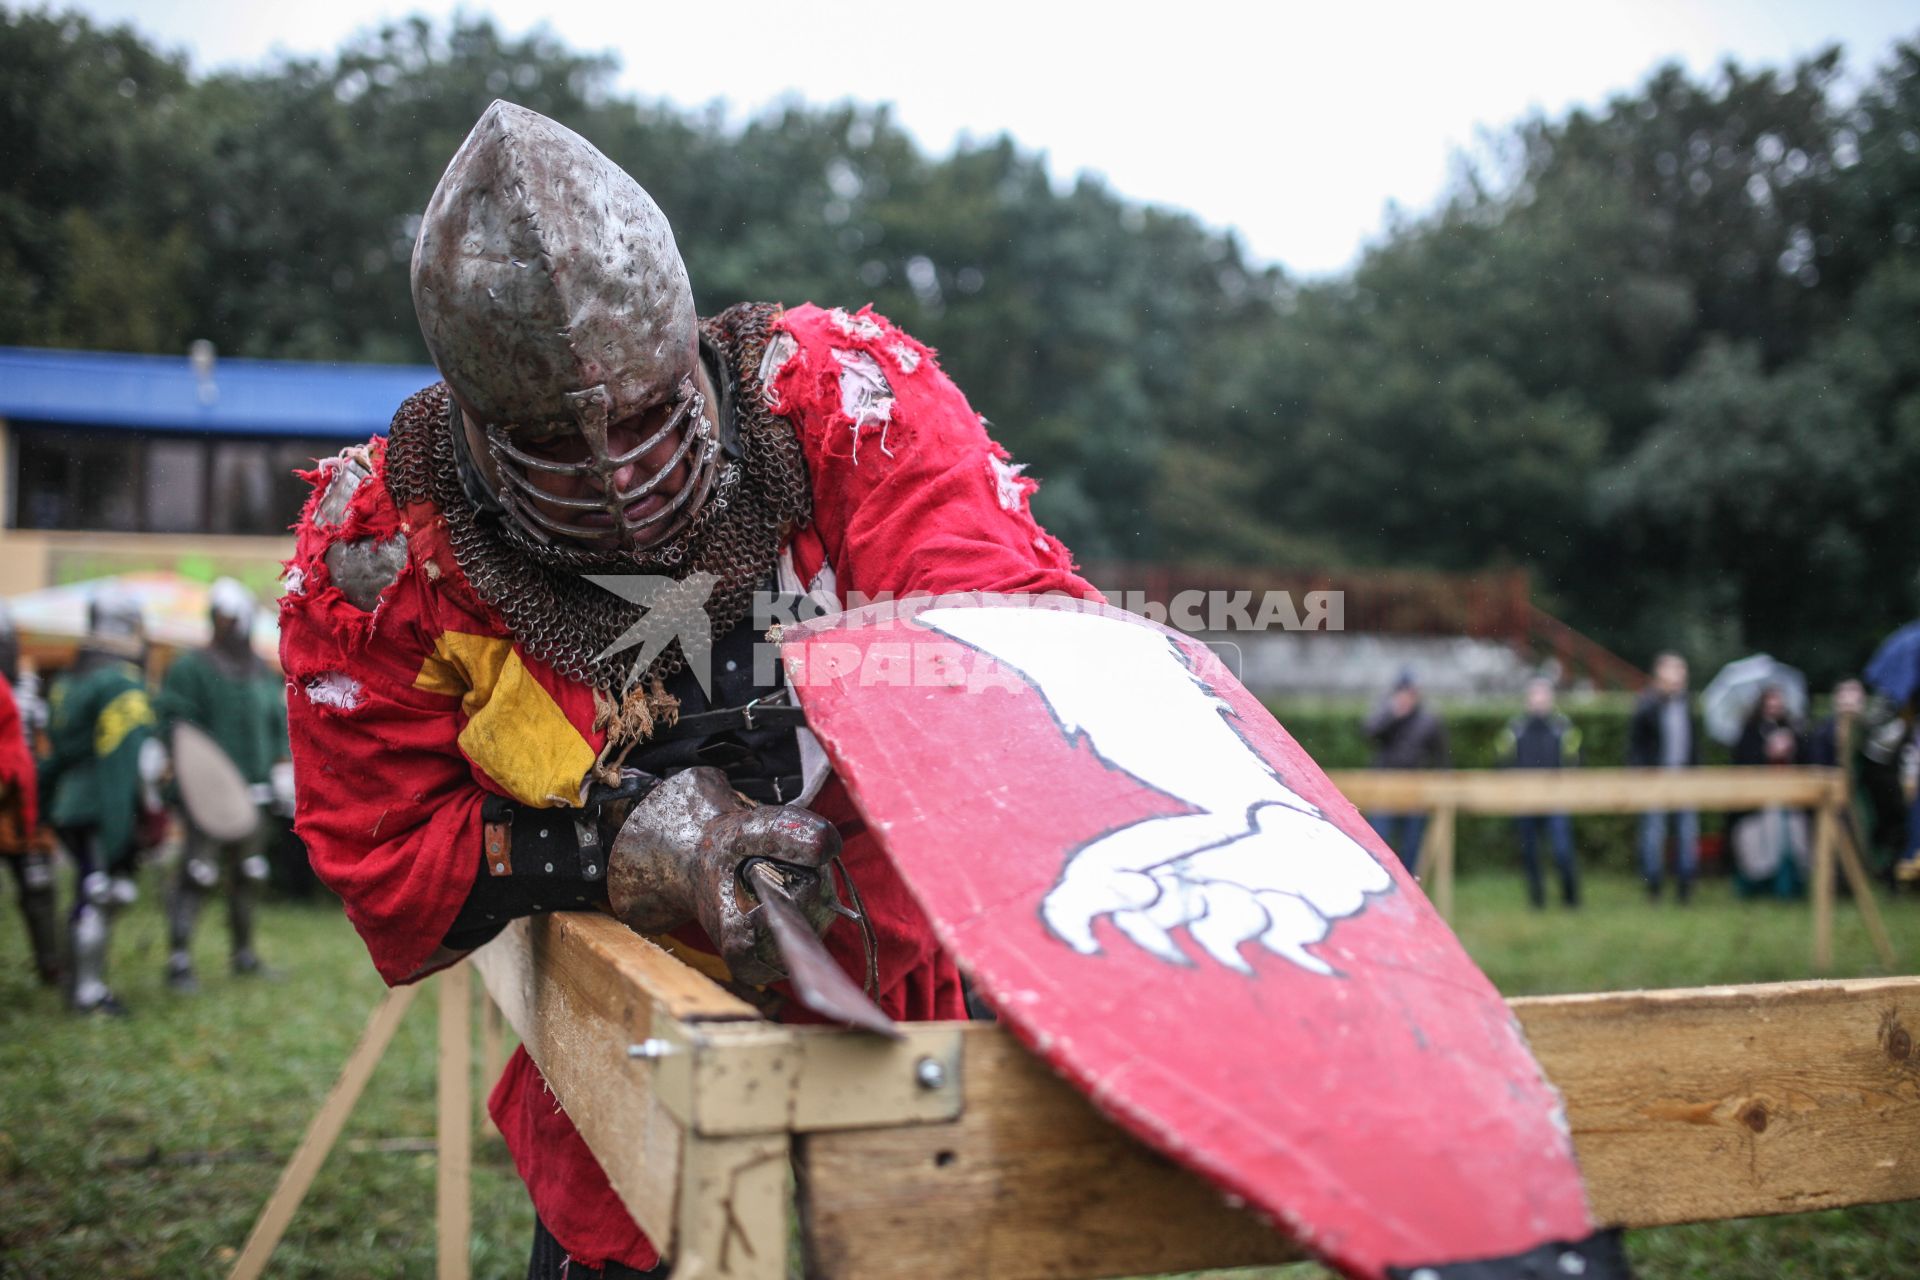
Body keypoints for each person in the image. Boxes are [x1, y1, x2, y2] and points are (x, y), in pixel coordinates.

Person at [280, 101, 1098, 1279]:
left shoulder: (845, 406)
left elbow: (1022, 659)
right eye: (555, 452)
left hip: (908, 1027)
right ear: (474, 421)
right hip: (629, 1091)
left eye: (653, 417)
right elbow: (385, 858)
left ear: (691, 360)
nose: (617, 476)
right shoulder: (377, 553)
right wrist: (608, 842)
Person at [156, 578, 290, 991]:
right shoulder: (190, 669)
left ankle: (244, 953)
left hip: (256, 790)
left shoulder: (259, 673)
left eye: (232, 618)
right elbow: (175, 725)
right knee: (198, 872)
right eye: (220, 618)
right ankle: (179, 960)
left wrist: (283, 769)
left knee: (250, 872)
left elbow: (278, 726)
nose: (226, 626)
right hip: (209, 795)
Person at [40, 589, 161, 1015]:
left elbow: (55, 751)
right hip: (98, 802)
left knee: (89, 890)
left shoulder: (70, 679)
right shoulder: (118, 683)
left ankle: (77, 980)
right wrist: (122, 828)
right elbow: (124, 758)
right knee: (100, 890)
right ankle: (86, 992)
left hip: (70, 802)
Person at [0, 604, 59, 986]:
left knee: (38, 886)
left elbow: (39, 745)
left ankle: (50, 965)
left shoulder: (28, 687)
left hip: (22, 803)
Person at [1494, 676, 1581, 909]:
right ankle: (1537, 901)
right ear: (1528, 700)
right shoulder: (1515, 728)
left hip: (1556, 799)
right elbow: (1502, 760)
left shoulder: (1562, 727)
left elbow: (1575, 760)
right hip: (1525, 800)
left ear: (1551, 699)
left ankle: (1571, 900)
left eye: (1544, 695)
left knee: (1563, 851)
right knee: (1530, 854)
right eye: (1535, 695)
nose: (1539, 700)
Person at [1627, 652, 1701, 903]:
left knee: (1687, 831)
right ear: (1660, 676)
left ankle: (1685, 887)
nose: (1679, 678)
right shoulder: (1647, 704)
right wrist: (1641, 775)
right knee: (1653, 833)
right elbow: (1636, 746)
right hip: (1655, 777)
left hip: (1684, 777)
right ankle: (1654, 886)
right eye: (1674, 672)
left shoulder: (1687, 704)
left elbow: (1694, 744)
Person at [1362, 670, 1449, 871]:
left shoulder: (1428, 719)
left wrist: (1442, 779)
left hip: (1415, 786)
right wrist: (1393, 716)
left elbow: (1441, 754)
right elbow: (1369, 732)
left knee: (1412, 843)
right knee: (1379, 838)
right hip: (1385, 786)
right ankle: (1380, 877)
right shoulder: (1386, 712)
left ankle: (1409, 882)